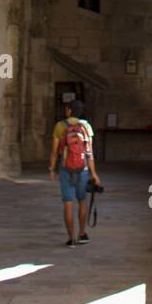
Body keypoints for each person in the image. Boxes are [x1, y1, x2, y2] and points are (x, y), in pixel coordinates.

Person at [48, 99, 102, 245]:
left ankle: (71, 238)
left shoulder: (60, 126)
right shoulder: (86, 126)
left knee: (68, 203)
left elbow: (54, 151)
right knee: (82, 201)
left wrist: (52, 168)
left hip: (65, 169)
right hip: (82, 169)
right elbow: (89, 152)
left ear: (69, 111)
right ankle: (82, 233)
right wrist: (94, 173)